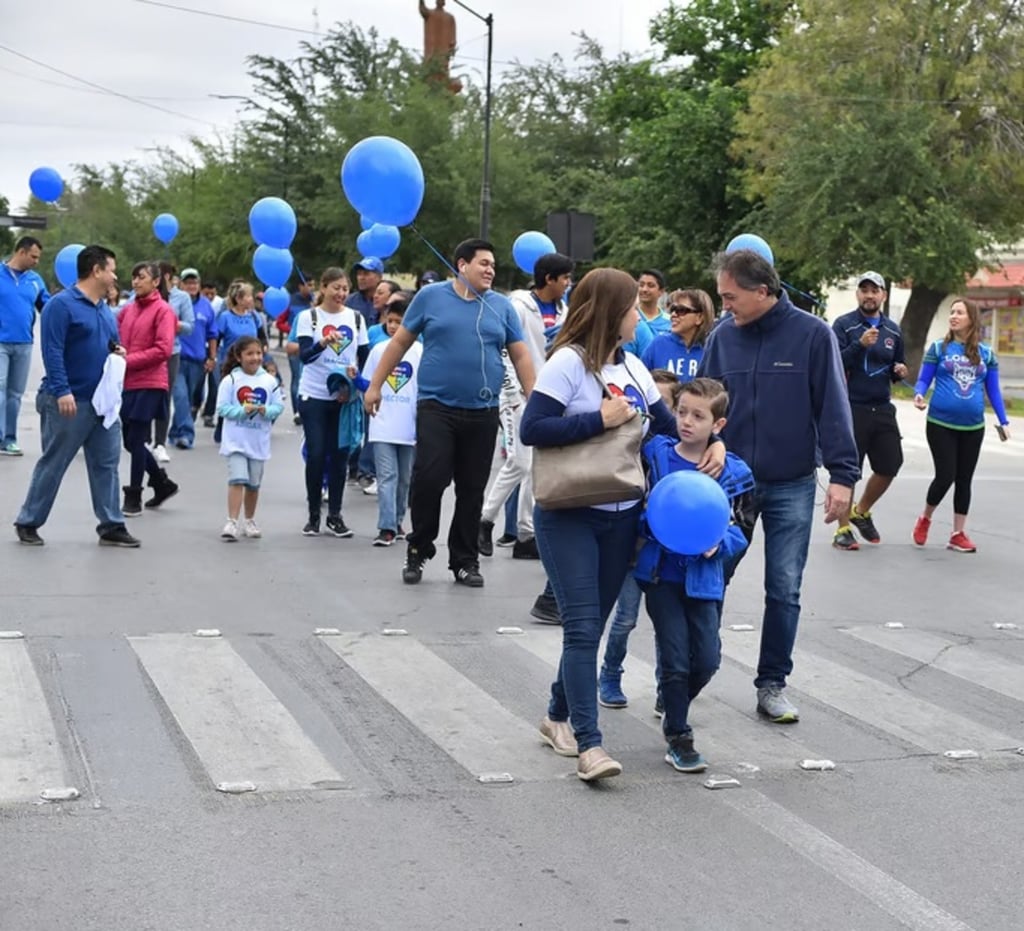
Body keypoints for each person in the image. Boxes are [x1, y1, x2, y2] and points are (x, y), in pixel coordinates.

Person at [519, 267, 718, 781]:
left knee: (591, 625)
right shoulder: (567, 363)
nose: (640, 316)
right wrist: (598, 420)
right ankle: (591, 745)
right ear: (612, 311)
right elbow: (533, 428)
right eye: (633, 307)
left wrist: (713, 443)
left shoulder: (630, 365)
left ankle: (556, 715)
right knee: (583, 627)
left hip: (622, 515)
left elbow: (674, 429)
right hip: (569, 514)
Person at [698, 249, 858, 724]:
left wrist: (843, 476)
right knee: (710, 579)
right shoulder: (722, 337)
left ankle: (772, 684)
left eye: (731, 297)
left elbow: (833, 405)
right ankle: (690, 674)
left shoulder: (813, 335)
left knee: (784, 588)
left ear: (762, 291)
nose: (724, 306)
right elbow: (701, 405)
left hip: (792, 481)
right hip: (730, 484)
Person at [363, 239, 535, 588]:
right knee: (429, 479)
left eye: (493, 265)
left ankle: (465, 561)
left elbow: (520, 355)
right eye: (483, 263)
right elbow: (400, 342)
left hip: (482, 409)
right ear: (462, 264)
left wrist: (536, 399)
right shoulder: (431, 297)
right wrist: (375, 385)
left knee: (472, 489)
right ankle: (419, 549)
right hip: (436, 407)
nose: (490, 270)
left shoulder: (501, 307)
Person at [634, 377, 753, 772]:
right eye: (681, 411)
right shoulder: (656, 455)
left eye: (698, 416)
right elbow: (637, 508)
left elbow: (740, 529)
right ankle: (679, 736)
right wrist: (648, 524)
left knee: (707, 659)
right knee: (675, 657)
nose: (686, 421)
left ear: (718, 425)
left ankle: (673, 698)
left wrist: (720, 544)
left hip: (704, 579)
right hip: (661, 576)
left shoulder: (731, 471)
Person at [13, 245, 139, 548]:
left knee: (107, 464)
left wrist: (116, 350)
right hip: (69, 401)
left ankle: (111, 524)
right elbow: (52, 351)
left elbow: (109, 342)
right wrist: (62, 390)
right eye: (111, 269)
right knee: (54, 462)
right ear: (96, 270)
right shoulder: (61, 305)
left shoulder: (104, 310)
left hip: (102, 404)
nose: (115, 275)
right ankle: (28, 521)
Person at [479, 252, 574, 561]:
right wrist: (515, 389)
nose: (568, 284)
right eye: (565, 279)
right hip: (517, 395)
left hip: (549, 397)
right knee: (520, 462)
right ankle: (483, 520)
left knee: (535, 466)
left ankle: (525, 534)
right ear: (549, 279)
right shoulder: (518, 307)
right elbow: (503, 350)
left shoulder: (564, 311)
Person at [598, 367, 681, 710]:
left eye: (661, 404)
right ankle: (610, 673)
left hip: (666, 549)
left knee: (667, 623)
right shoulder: (625, 445)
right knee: (626, 617)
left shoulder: (676, 451)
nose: (650, 410)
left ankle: (667, 687)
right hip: (633, 547)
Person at [912, 296, 1010, 553]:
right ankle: (926, 517)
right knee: (946, 475)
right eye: (952, 312)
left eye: (960, 313)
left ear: (972, 319)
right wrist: (919, 394)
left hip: (973, 427)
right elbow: (923, 380)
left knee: (964, 479)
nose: (954, 316)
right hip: (940, 423)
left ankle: (957, 533)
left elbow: (994, 391)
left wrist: (1003, 420)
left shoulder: (986, 354)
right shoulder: (938, 348)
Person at [831, 271, 908, 550]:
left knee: (891, 465)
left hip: (882, 406)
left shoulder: (893, 330)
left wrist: (900, 371)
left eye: (874, 290)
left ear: (883, 296)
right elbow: (834, 363)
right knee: (849, 470)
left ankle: (860, 511)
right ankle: (842, 531)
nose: (869, 295)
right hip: (851, 406)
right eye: (864, 290)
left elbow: (896, 364)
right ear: (857, 294)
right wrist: (858, 345)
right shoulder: (844, 325)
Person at [295, 267, 369, 536]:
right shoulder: (309, 317)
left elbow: (365, 356)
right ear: (323, 288)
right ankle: (313, 514)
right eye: (335, 288)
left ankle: (335, 515)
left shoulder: (356, 319)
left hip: (343, 397)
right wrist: (322, 344)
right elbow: (304, 356)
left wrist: (356, 379)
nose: (341, 293)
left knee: (340, 455)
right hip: (313, 395)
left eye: (345, 289)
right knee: (316, 454)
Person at [117, 262, 180, 516]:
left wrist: (128, 360)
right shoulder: (127, 310)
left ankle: (134, 495)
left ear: (156, 282)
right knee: (130, 442)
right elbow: (116, 337)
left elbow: (163, 349)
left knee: (137, 438)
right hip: (126, 382)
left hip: (151, 382)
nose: (135, 282)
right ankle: (162, 483)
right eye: (133, 277)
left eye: (141, 277)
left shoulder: (164, 311)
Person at [360, 299, 422, 546]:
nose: (395, 326)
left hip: (410, 426)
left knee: (404, 479)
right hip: (383, 424)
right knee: (387, 476)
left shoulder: (420, 351)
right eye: (391, 321)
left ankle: (397, 521)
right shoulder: (378, 350)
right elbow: (368, 383)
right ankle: (385, 527)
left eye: (400, 321)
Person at [216, 336, 284, 541]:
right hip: (236, 441)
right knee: (237, 479)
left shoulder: (270, 381)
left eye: (258, 353)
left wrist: (266, 410)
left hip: (258, 442)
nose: (255, 358)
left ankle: (250, 519)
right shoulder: (231, 380)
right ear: (239, 357)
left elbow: (278, 406)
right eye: (249, 354)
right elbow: (222, 408)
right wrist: (241, 411)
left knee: (253, 484)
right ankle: (232, 521)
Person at [0, 236, 49, 456]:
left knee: (15, 394)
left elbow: (47, 308)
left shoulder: (35, 280)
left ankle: (10, 438)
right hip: (1, 341)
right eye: (33, 256)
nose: (36, 261)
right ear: (21, 252)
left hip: (24, 343)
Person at [151, 262, 195, 465]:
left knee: (163, 397)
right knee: (143, 395)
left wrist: (171, 323)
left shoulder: (181, 297)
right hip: (147, 351)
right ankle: (142, 438)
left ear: (166, 276)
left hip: (171, 352)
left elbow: (189, 326)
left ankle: (159, 443)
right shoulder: (146, 294)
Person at [169, 268, 216, 450]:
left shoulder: (206, 306)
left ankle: (175, 432)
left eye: (194, 283)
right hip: (176, 357)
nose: (191, 286)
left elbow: (212, 334)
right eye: (187, 283)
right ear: (180, 284)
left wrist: (212, 357)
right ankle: (187, 434)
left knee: (186, 399)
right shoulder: (175, 303)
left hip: (198, 360)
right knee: (180, 396)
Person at [641, 288, 715, 380]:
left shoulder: (712, 350)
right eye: (673, 309)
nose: (673, 314)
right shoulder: (658, 344)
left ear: (699, 317)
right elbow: (641, 382)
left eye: (681, 310)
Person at [347, 257, 384, 326]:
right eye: (359, 274)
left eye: (366, 274)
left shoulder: (387, 300)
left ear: (379, 277)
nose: (361, 278)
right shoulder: (349, 301)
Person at [637, 269, 670, 336]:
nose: (644, 289)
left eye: (650, 285)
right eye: (641, 285)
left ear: (661, 291)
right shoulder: (630, 316)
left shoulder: (669, 321)